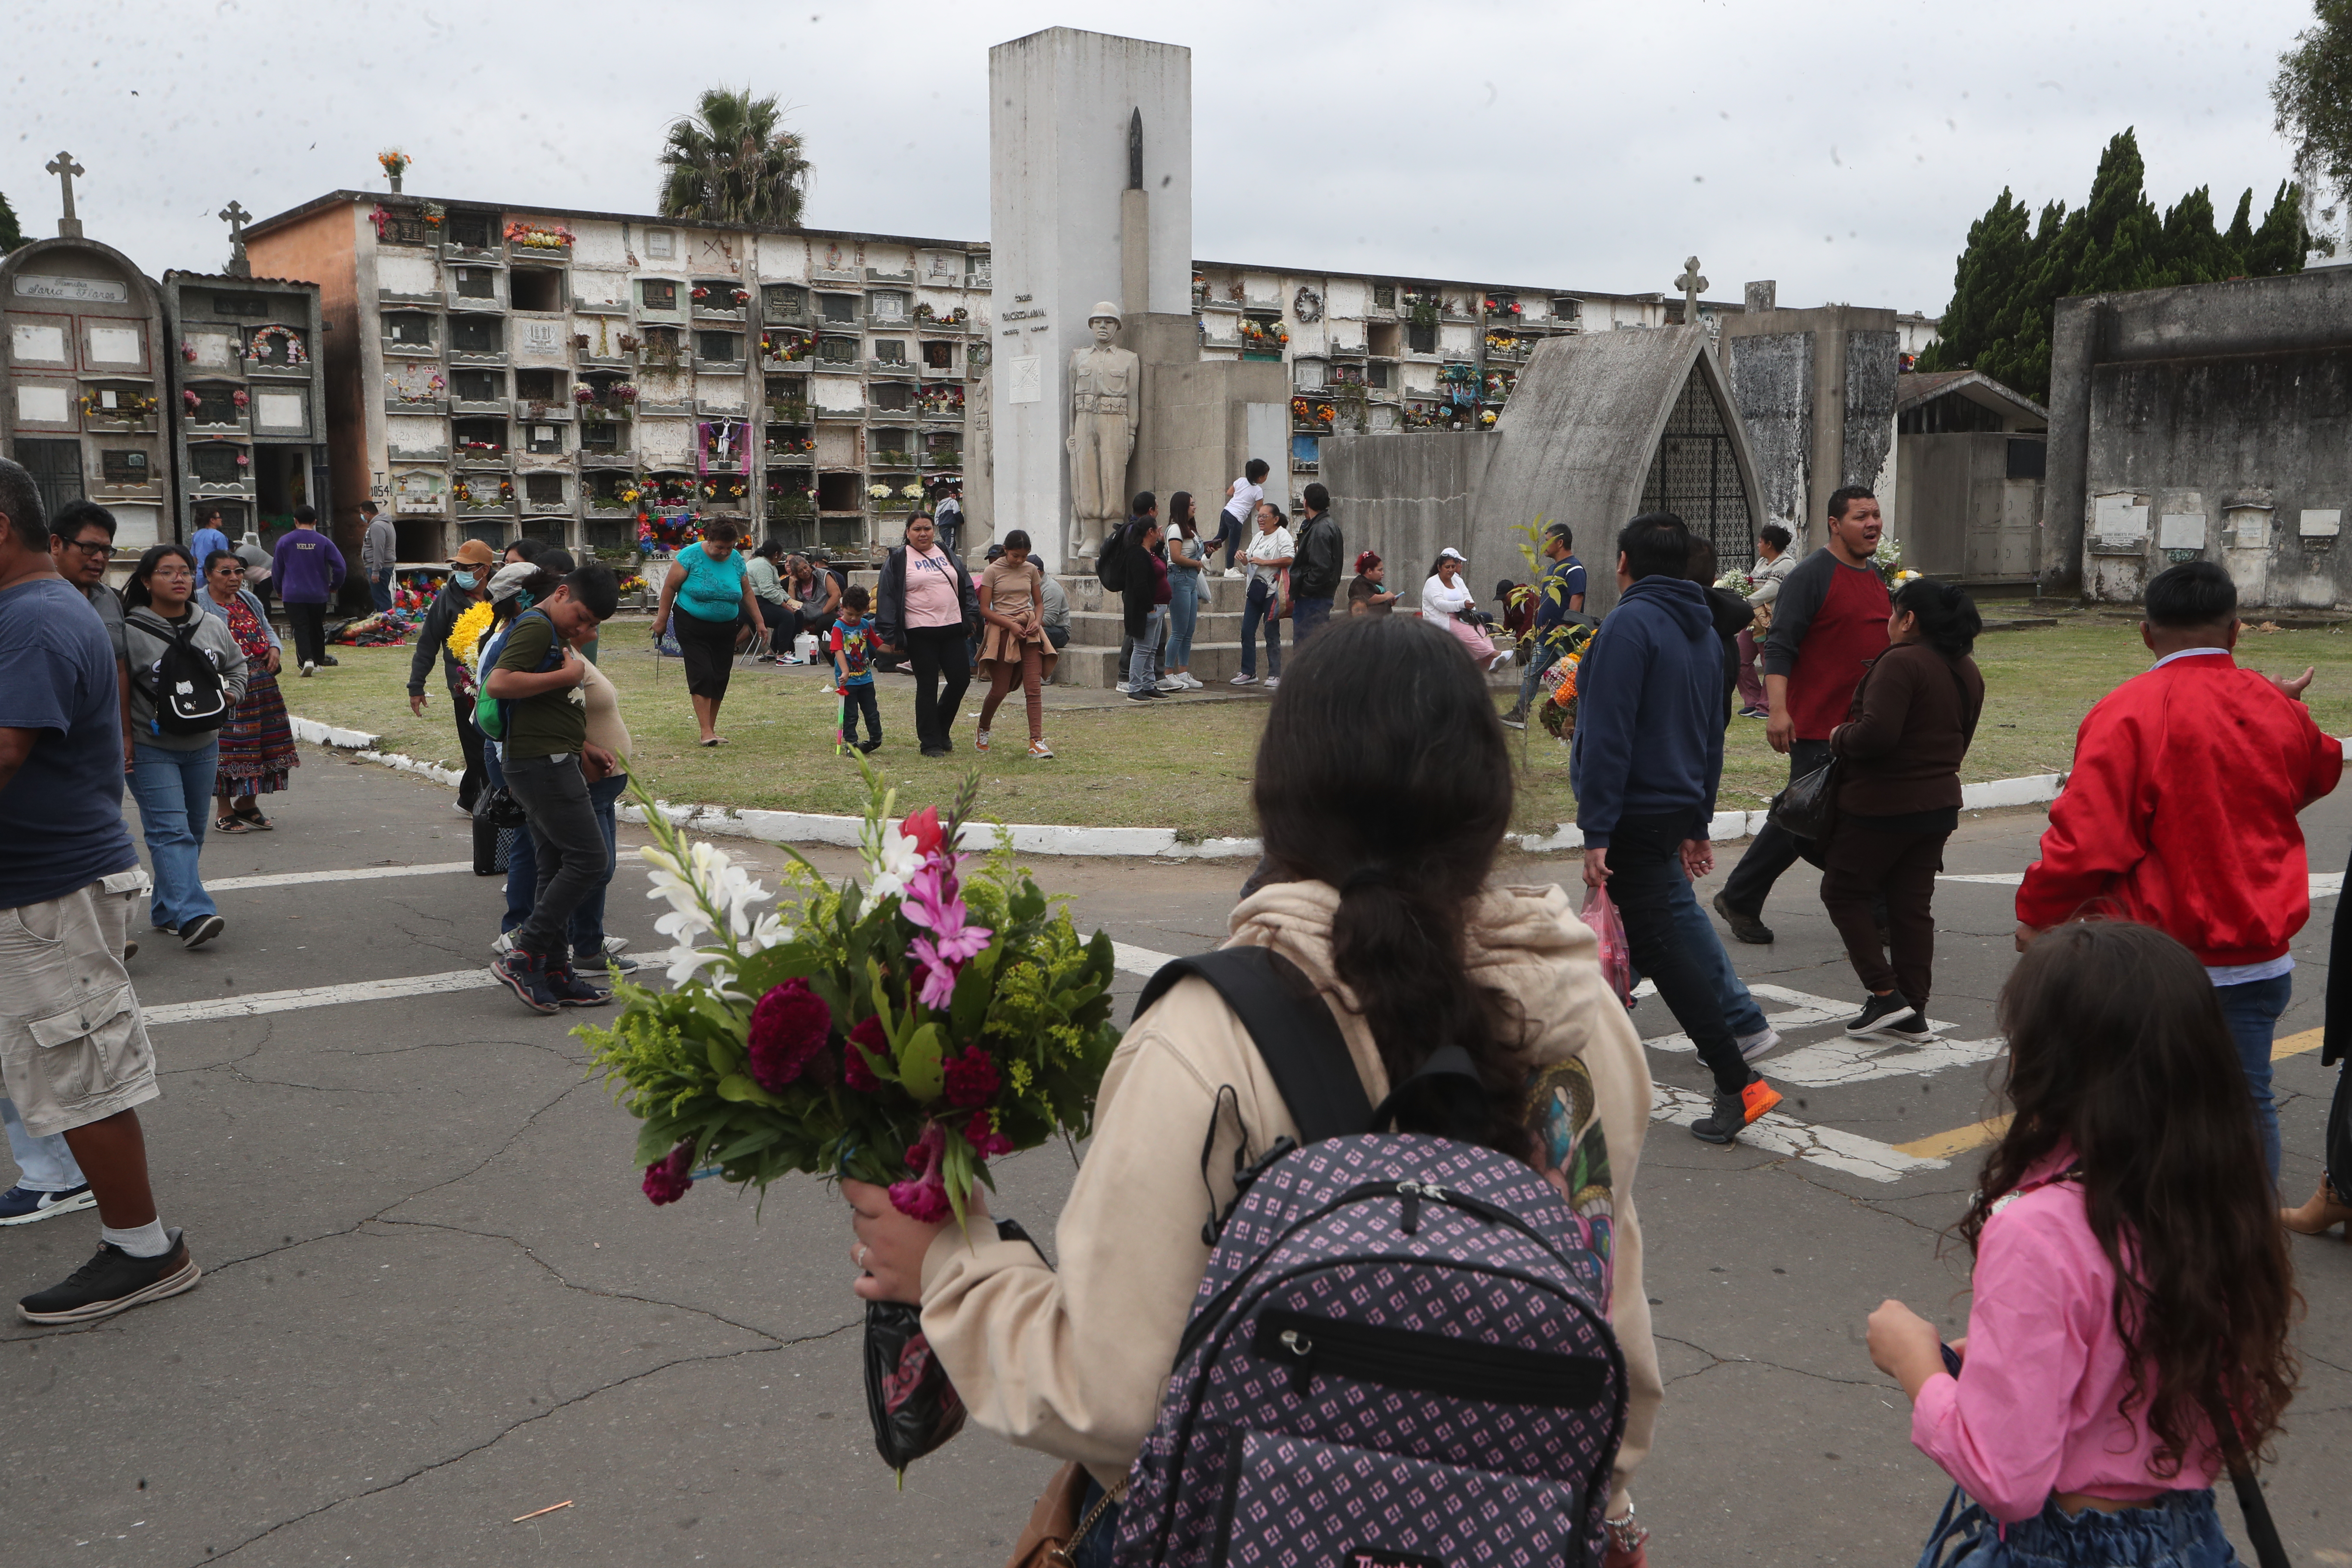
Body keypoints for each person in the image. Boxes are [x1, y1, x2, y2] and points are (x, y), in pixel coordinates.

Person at [841, 612, 1663, 1567]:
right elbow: (1613, 1333)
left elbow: (1111, 1398)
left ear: (1280, 799)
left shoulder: (1207, 1039)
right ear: (1490, 803)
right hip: (1516, 1535)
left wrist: (948, 1265)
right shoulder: (1585, 1020)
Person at [1866, 922, 2296, 1568]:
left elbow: (2004, 1479)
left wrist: (1914, 1366)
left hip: (2067, 1548)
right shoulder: (2212, 1199)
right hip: (2187, 1538)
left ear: (2048, 1064)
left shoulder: (2038, 1229)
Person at [2016, 561, 2340, 1185]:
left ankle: (2142, 1253)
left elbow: (2087, 842)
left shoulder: (2127, 712)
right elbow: (2316, 771)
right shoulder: (2274, 709)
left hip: (2152, 961)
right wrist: (2280, 706)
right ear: (2237, 631)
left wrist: (2036, 915)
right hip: (2258, 955)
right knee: (2247, 1105)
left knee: (2130, 1110)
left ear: (2146, 634)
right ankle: (2248, 1259)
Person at [0, 456, 200, 1324]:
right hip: (31, 881)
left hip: (44, 890)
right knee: (50, 1064)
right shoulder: (30, 612)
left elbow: (6, 751)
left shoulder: (37, 621)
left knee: (82, 1071)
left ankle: (144, 1248)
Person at [1573, 513, 1777, 1146]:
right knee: (1652, 934)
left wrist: (1596, 829)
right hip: (1670, 808)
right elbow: (1708, 735)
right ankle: (1585, 1044)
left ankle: (1736, 1078)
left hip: (1633, 812)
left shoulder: (1630, 624)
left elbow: (1609, 734)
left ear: (1624, 563)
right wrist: (1696, 819)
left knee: (1660, 946)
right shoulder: (1704, 630)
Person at [1715, 488, 1891, 944]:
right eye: (1860, 517)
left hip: (1860, 727)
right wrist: (1778, 711)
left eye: (1876, 515)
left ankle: (1740, 895)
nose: (1872, 524)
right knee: (1810, 818)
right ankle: (1876, 906)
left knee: (1805, 818)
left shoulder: (1874, 576)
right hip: (1815, 726)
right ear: (1835, 524)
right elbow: (1780, 645)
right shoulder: (1812, 575)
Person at [1820, 579, 1985, 1040]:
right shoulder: (1967, 670)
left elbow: (1876, 735)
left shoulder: (1901, 662)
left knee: (1843, 891)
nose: (1890, 622)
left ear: (1909, 619)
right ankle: (1913, 1010)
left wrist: (1837, 737)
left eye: (1895, 613)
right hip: (1938, 804)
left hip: (1882, 804)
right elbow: (1961, 739)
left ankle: (1885, 994)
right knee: (1911, 908)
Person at [486, 562, 623, 1014]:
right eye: (581, 617)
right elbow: (500, 683)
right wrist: (566, 676)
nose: (584, 628)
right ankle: (526, 954)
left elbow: (546, 708)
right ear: (561, 594)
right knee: (589, 859)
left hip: (554, 758)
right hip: (540, 765)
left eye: (593, 626)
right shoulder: (536, 626)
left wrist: (585, 747)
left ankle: (555, 969)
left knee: (555, 864)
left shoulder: (554, 633)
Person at [122, 543, 247, 950]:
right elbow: (116, 687)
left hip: (205, 743)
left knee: (193, 831)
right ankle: (194, 913)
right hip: (151, 745)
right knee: (170, 832)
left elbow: (237, 664)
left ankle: (165, 908)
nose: (178, 578)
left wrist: (232, 694)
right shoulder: (129, 631)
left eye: (184, 571)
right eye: (166, 572)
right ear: (146, 581)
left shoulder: (211, 623)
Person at [201, 550, 298, 835]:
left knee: (267, 743)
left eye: (239, 572)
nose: (234, 578)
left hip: (262, 684)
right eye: (226, 572)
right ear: (208, 574)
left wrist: (275, 648)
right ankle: (224, 810)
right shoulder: (199, 603)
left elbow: (267, 629)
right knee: (230, 748)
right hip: (228, 684)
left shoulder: (249, 599)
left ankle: (247, 803)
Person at [875, 511, 979, 758]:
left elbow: (965, 583)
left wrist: (972, 617)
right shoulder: (899, 558)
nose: (923, 534)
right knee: (927, 685)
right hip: (920, 631)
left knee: (961, 679)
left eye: (928, 529)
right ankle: (930, 742)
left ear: (935, 530)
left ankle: (942, 729)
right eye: (917, 529)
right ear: (908, 533)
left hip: (952, 626)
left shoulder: (945, 552)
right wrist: (891, 634)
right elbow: (887, 596)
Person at [406, 539, 499, 814]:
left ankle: (469, 800)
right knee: (475, 749)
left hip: (499, 683)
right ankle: (484, 806)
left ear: (485, 569)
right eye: (457, 566)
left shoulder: (500, 593)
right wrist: (416, 685)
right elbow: (427, 644)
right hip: (465, 688)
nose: (460, 571)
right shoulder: (447, 599)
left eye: (467, 567)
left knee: (493, 747)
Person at [650, 519, 762, 748]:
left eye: (729, 548)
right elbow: (670, 588)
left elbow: (747, 591)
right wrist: (661, 620)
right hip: (692, 624)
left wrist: (759, 622)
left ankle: (711, 728)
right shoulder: (690, 556)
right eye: (720, 547)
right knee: (703, 673)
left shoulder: (737, 560)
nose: (724, 553)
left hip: (726, 626)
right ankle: (705, 731)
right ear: (708, 540)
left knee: (721, 675)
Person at [975, 529, 1057, 756]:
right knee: (1000, 689)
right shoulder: (992, 571)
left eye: (1024, 556)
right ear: (1006, 551)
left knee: (1034, 688)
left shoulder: (1031, 570)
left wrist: (1037, 621)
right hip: (1003, 630)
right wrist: (1010, 625)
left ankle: (1036, 741)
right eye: (1015, 556)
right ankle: (983, 727)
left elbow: (1038, 603)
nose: (1020, 560)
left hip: (1029, 630)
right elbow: (984, 609)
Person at [1503, 525, 1589, 727]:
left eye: (1548, 540)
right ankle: (1520, 713)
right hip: (1546, 636)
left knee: (1573, 676)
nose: (1544, 546)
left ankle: (1582, 718)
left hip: (1564, 636)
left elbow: (1577, 596)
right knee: (1533, 672)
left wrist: (1567, 625)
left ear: (1560, 543)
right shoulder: (1553, 569)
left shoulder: (1574, 568)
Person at [271, 505, 345, 676]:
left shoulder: (284, 541)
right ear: (315, 522)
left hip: (293, 594)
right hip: (318, 594)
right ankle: (318, 660)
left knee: (300, 627)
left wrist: (279, 589)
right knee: (317, 627)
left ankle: (306, 660)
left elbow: (277, 569)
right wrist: (334, 585)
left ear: (295, 521)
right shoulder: (324, 541)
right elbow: (340, 567)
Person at [1231, 499, 1292, 688]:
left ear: (1275, 519)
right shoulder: (1258, 536)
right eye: (1259, 516)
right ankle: (1248, 672)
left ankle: (1275, 674)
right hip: (1255, 590)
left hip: (1272, 591)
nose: (1261, 520)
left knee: (1271, 632)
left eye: (1265, 516)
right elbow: (1250, 559)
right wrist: (1243, 558)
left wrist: (1265, 563)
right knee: (1247, 631)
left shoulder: (1283, 535)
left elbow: (1290, 558)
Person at [1736, 524, 1794, 717]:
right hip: (1753, 621)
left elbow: (1772, 590)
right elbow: (1751, 584)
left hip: (1771, 622)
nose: (1758, 545)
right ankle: (1752, 700)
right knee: (1740, 657)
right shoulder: (1761, 563)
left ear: (1770, 544)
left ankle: (1766, 705)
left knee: (1769, 662)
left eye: (1761, 541)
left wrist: (1746, 601)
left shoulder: (1786, 564)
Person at [1421, 547, 1510, 671]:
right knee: (1468, 634)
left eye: (1453, 566)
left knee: (1481, 627)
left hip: (1462, 616)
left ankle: (1491, 660)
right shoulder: (1432, 583)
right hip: (1443, 618)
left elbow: (1467, 596)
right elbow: (1440, 604)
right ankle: (1496, 654)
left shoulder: (1457, 580)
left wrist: (1470, 605)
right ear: (1439, 567)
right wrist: (1462, 604)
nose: (1452, 570)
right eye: (1448, 567)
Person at [1123, 511, 1173, 701]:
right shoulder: (1137, 553)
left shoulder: (1148, 552)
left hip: (1159, 606)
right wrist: (1150, 609)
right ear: (1149, 531)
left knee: (1152, 649)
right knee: (1142, 649)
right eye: (1156, 531)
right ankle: (1135, 687)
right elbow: (1140, 584)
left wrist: (1160, 543)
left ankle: (1148, 684)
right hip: (1146, 609)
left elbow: (1157, 559)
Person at [830, 585, 883, 755]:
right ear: (842, 608)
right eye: (850, 614)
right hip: (848, 682)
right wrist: (845, 671)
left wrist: (897, 649)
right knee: (851, 715)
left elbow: (877, 644)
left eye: (858, 615)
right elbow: (838, 650)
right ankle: (851, 744)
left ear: (866, 611)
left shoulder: (866, 624)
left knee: (872, 712)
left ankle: (876, 739)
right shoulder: (839, 627)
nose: (854, 619)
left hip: (866, 678)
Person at [1289, 482, 1344, 642]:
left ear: (1305, 502)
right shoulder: (1326, 525)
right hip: (1319, 596)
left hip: (1313, 599)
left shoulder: (1320, 529)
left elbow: (1321, 568)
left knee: (1307, 648)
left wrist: (1306, 589)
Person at [1164, 491, 1206, 689]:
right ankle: (1168, 672)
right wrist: (1196, 563)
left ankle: (1183, 671)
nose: (1194, 507)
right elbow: (1176, 556)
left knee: (1189, 630)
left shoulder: (1190, 529)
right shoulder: (1175, 529)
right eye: (1191, 505)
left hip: (1190, 579)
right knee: (1179, 630)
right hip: (1180, 578)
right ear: (1182, 508)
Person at [1210, 456, 1269, 574]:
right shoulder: (1258, 491)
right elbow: (1259, 509)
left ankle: (1206, 556)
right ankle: (1229, 569)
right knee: (1233, 545)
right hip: (1237, 518)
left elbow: (1229, 493)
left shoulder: (1241, 481)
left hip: (1227, 511)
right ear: (1260, 477)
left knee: (1220, 537)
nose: (1267, 478)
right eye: (1266, 475)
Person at [360, 500, 397, 612]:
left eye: (362, 513)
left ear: (368, 513)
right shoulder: (384, 523)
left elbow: (378, 549)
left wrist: (376, 571)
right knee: (380, 596)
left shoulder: (377, 526)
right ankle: (381, 623)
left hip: (380, 567)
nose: (361, 516)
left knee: (381, 597)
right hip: (382, 566)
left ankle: (387, 623)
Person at [1346, 549, 1399, 616]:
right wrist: (1386, 596)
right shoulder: (1359, 583)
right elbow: (1368, 599)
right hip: (1368, 622)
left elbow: (1380, 600)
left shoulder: (1377, 583)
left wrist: (1389, 602)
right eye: (1380, 570)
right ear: (1370, 571)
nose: (1383, 573)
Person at [236, 528, 273, 612]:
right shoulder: (242, 552)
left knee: (263, 598)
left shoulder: (241, 555)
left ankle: (266, 620)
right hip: (263, 576)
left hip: (269, 573)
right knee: (256, 598)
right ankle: (258, 618)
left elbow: (239, 574)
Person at [187, 505, 231, 572]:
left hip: (200, 573)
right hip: (215, 573)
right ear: (212, 520)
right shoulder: (219, 536)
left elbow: (194, 557)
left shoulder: (197, 534)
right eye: (219, 517)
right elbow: (225, 557)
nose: (221, 519)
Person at [934, 479, 965, 561]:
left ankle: (947, 557)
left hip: (941, 528)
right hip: (950, 526)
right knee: (950, 545)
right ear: (948, 495)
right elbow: (957, 512)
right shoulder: (952, 502)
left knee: (949, 543)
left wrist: (939, 523)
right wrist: (962, 521)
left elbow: (936, 519)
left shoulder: (939, 506)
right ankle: (947, 559)